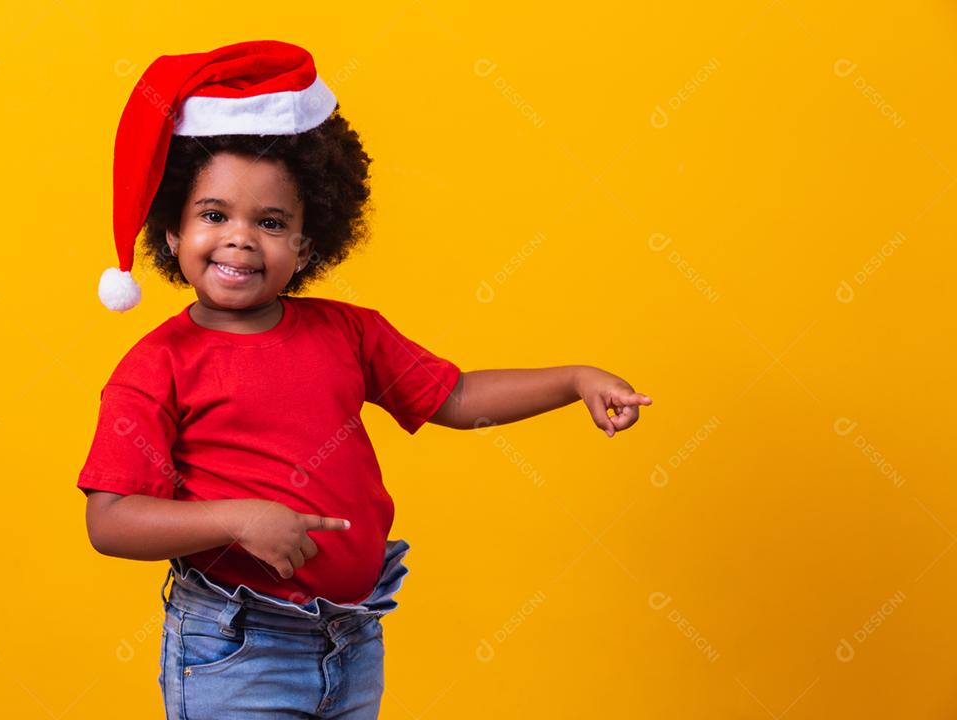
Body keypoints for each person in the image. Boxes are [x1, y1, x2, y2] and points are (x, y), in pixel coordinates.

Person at [77, 39, 653, 719]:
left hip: (352, 637)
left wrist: (575, 380)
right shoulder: (157, 366)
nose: (239, 238)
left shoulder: (348, 333)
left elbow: (457, 397)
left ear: (308, 243)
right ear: (171, 231)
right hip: (236, 648)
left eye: (270, 222)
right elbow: (110, 521)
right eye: (213, 215)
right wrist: (236, 521)